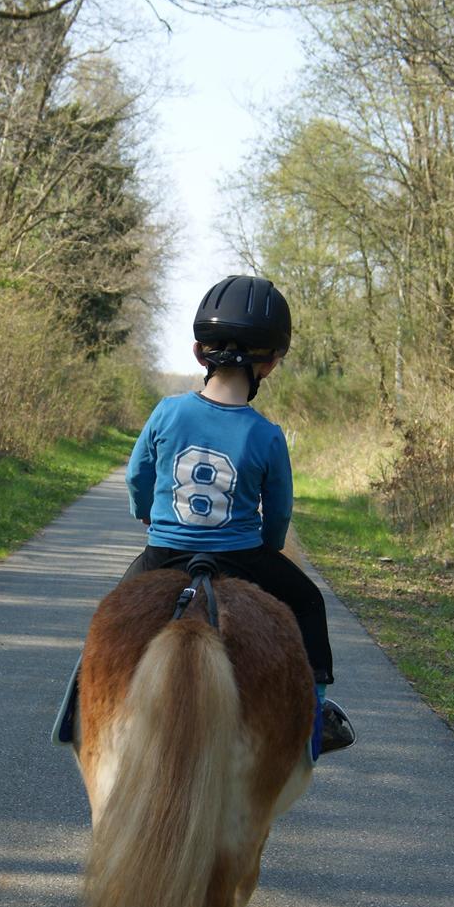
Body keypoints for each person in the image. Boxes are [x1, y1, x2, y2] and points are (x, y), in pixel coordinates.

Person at [122, 274, 356, 754]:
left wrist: (145, 512)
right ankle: (317, 714)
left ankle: (83, 697)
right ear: (269, 366)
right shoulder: (268, 435)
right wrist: (269, 547)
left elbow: (136, 478)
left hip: (165, 553)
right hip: (243, 558)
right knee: (310, 601)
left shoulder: (166, 412)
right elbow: (280, 510)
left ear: (197, 352)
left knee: (115, 614)